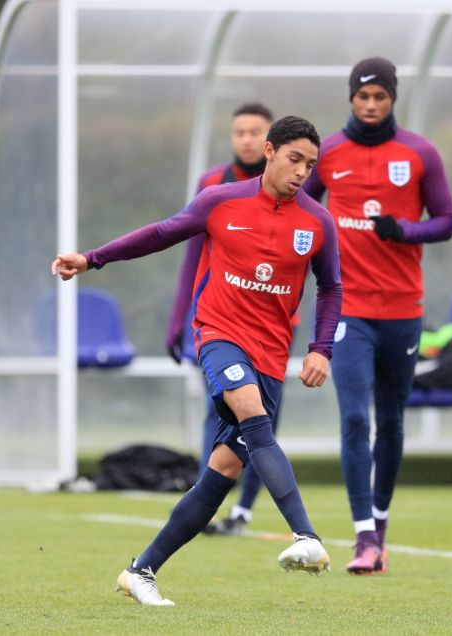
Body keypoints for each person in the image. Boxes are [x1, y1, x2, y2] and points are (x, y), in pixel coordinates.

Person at [52, 115, 342, 606]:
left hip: (272, 354)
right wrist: (92, 257)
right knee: (249, 408)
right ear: (269, 152)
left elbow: (331, 285)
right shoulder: (221, 200)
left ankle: (140, 571)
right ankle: (305, 536)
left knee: (222, 472)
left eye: (310, 165)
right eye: (294, 159)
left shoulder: (317, 221)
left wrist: (320, 347)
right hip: (220, 336)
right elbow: (162, 233)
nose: (301, 172)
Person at [303, 57, 452, 575]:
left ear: (392, 99)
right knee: (353, 417)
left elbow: (447, 222)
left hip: (403, 310)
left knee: (390, 421)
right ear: (351, 98)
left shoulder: (419, 153)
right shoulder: (329, 153)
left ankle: (382, 525)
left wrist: (405, 231)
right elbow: (300, 209)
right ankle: (363, 536)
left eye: (380, 98)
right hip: (348, 310)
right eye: (363, 97)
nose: (370, 106)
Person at [165, 102, 293, 536]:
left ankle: (245, 510)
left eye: (255, 131)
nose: (246, 139)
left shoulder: (294, 193)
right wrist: (177, 319)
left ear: (271, 142)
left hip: (271, 328)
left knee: (263, 417)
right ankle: (208, 502)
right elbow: (189, 252)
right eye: (239, 131)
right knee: (219, 410)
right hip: (217, 324)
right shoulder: (215, 184)